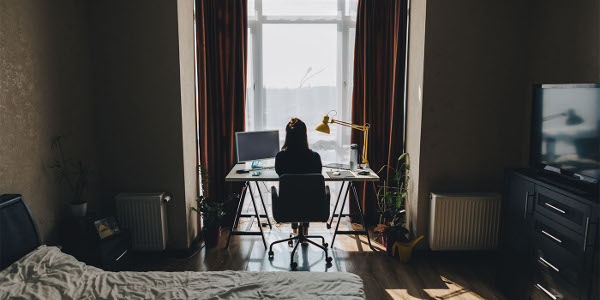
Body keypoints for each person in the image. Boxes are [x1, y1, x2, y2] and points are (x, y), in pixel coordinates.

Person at [275, 118, 322, 236]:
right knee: (306, 194)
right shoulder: (315, 157)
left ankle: (295, 230)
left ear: (287, 136)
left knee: (293, 194)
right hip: (313, 207)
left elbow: (281, 175)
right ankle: (305, 229)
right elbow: (317, 177)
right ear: (305, 135)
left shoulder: (280, 157)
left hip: (287, 208)